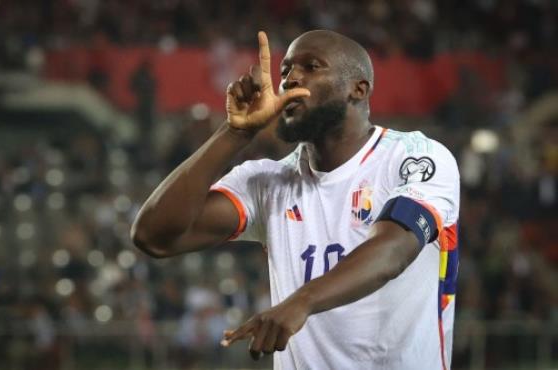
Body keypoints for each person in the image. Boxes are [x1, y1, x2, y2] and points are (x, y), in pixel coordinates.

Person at [131, 30, 460, 370]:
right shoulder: (267, 181)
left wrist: (301, 301)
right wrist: (235, 133)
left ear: (358, 89)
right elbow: (153, 236)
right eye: (286, 70)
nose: (290, 80)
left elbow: (394, 250)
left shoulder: (417, 157)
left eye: (311, 66)